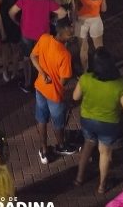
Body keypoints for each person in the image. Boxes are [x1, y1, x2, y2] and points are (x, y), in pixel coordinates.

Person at [73, 48, 123, 194]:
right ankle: (102, 185)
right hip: (108, 124)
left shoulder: (85, 78)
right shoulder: (119, 84)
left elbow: (75, 97)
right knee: (105, 153)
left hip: (88, 121)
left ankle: (79, 178)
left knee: (88, 146)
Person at [31, 17, 77, 163]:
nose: (72, 36)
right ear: (62, 34)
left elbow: (33, 56)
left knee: (42, 119)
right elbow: (63, 80)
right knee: (58, 123)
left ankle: (44, 150)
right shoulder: (65, 54)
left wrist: (43, 74)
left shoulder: (44, 38)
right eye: (70, 34)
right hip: (54, 94)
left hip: (40, 88)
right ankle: (61, 146)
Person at [9, 0, 67, 93]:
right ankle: (44, 80)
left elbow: (11, 12)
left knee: (26, 58)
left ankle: (27, 83)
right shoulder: (48, 2)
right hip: (43, 36)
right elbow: (63, 12)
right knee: (42, 59)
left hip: (27, 33)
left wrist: (18, 23)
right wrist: (54, 21)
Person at [76, 0, 107, 71]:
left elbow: (76, 8)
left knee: (83, 49)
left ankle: (85, 71)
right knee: (99, 48)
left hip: (82, 21)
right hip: (96, 20)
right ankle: (102, 69)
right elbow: (104, 9)